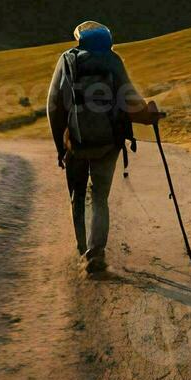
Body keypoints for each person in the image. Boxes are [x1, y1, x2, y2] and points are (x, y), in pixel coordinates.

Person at [46, 21, 161, 274]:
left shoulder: (67, 60)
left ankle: (81, 247)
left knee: (77, 196)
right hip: (108, 144)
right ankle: (95, 252)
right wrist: (149, 114)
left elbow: (53, 105)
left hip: (74, 143)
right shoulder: (113, 61)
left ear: (80, 40)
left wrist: (59, 146)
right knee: (99, 196)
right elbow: (130, 100)